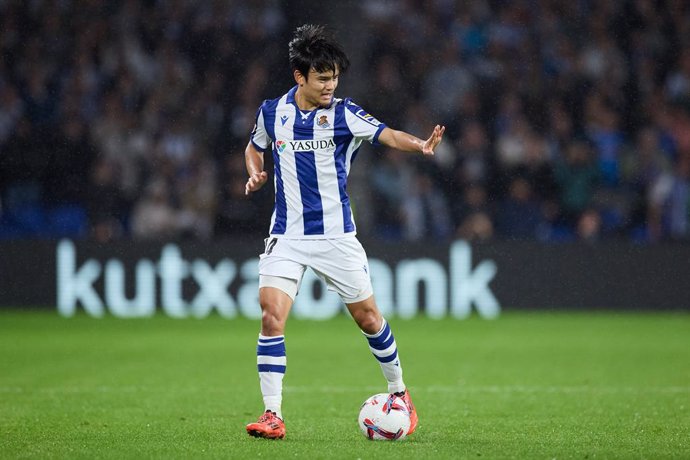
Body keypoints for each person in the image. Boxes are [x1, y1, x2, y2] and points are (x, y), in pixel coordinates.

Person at [243, 24, 445, 439]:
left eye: (334, 77)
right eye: (322, 77)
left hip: (336, 237)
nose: (330, 85)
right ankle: (272, 414)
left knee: (369, 319)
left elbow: (388, 134)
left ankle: (399, 391)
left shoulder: (344, 113)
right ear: (300, 77)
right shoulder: (272, 112)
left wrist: (419, 145)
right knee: (270, 316)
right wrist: (255, 171)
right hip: (288, 235)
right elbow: (254, 145)